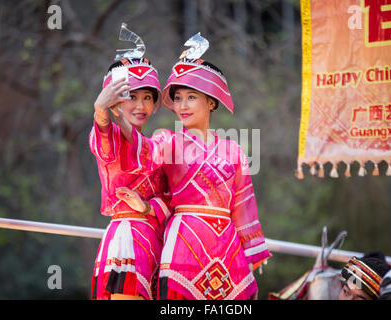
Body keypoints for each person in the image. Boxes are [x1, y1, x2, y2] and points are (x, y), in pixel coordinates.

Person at [118, 34, 271, 300]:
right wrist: (119, 116)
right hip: (184, 241)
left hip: (228, 245)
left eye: (191, 97)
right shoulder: (167, 141)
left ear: (212, 102)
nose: (182, 105)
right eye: (177, 98)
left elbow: (243, 206)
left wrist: (253, 250)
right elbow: (141, 151)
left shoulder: (234, 150)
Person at [89, 49, 172, 300]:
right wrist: (101, 113)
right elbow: (104, 142)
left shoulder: (159, 141)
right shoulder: (109, 137)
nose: (140, 105)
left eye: (147, 98)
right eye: (131, 97)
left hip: (157, 241)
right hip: (128, 238)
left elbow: (171, 195)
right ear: (116, 101)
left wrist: (147, 207)